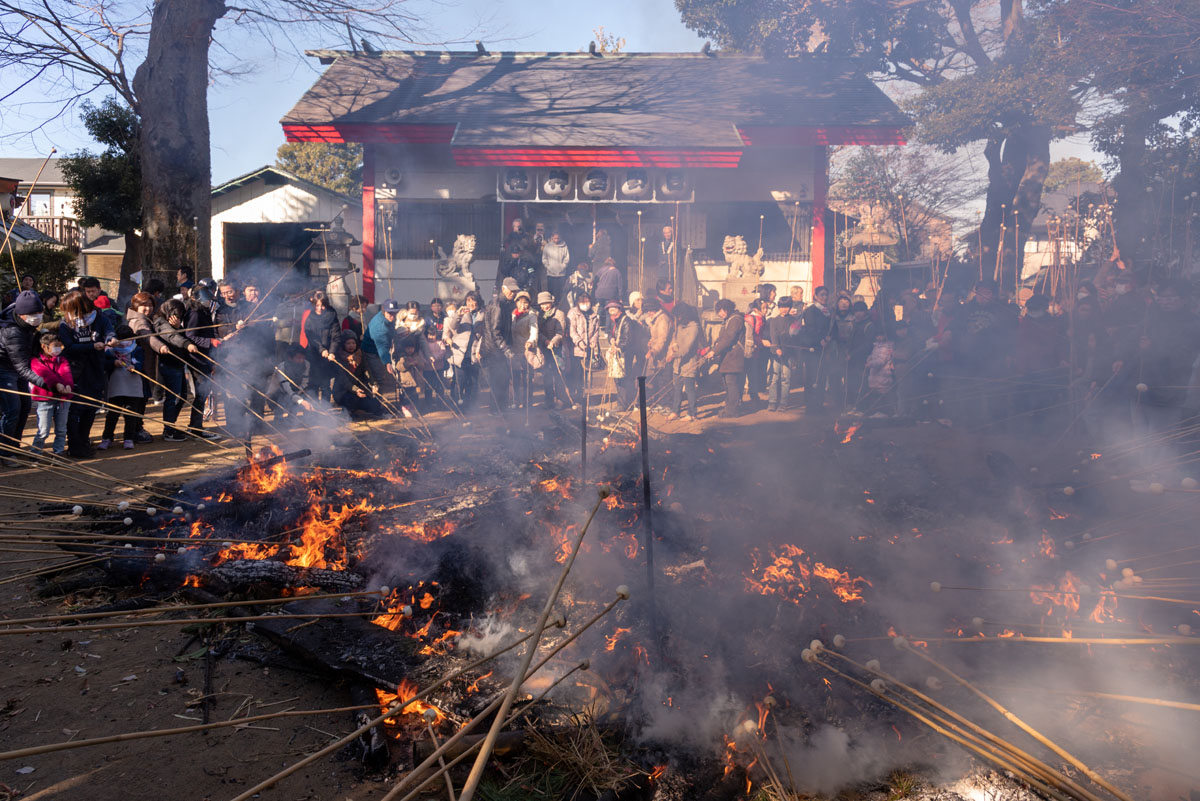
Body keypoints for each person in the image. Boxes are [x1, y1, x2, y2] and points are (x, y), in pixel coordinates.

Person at [58, 292, 115, 457]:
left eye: (72, 309)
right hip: (74, 372)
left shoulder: (99, 318)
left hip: (95, 368)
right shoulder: (66, 323)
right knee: (75, 410)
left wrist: (111, 339)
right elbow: (69, 347)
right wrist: (92, 346)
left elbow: (109, 332)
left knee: (90, 409)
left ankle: (84, 440)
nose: (70, 313)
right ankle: (74, 445)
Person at [150, 299, 214, 441]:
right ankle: (168, 430)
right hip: (169, 365)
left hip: (178, 364)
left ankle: (171, 427)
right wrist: (187, 344)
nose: (178, 318)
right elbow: (172, 336)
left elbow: (177, 333)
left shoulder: (172, 323)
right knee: (173, 397)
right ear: (170, 313)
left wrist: (179, 327)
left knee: (182, 396)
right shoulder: (161, 322)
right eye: (177, 315)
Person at [0, 291, 52, 461]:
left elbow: (29, 355)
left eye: (39, 313)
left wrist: (39, 339)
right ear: (21, 315)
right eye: (33, 315)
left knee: (24, 406)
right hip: (4, 369)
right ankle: (6, 452)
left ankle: (15, 446)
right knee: (12, 410)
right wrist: (47, 384)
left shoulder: (26, 324)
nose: (37, 317)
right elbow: (22, 367)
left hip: (18, 368)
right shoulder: (12, 331)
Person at [98, 325, 146, 450]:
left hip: (133, 387)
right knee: (112, 414)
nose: (125, 342)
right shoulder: (110, 350)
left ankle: (129, 438)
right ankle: (107, 438)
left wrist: (135, 368)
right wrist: (113, 363)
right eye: (122, 339)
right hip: (116, 386)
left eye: (128, 339)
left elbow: (141, 364)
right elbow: (104, 365)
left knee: (130, 414)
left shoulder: (137, 349)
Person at [29, 332, 72, 456]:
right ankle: (35, 454)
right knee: (43, 431)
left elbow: (66, 372)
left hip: (63, 399)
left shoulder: (62, 359)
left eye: (60, 346)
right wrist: (56, 384)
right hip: (44, 399)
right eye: (55, 345)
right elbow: (44, 373)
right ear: (44, 346)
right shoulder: (35, 360)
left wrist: (68, 384)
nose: (58, 349)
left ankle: (58, 453)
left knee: (61, 429)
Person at [123, 292, 158, 443]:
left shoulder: (145, 319)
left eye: (150, 305)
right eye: (144, 305)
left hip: (144, 365)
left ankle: (137, 428)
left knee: (141, 399)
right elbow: (149, 338)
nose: (147, 308)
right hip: (139, 367)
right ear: (136, 306)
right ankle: (135, 430)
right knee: (138, 400)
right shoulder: (139, 322)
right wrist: (162, 347)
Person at [704, 298, 747, 418]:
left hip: (734, 357)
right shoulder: (728, 320)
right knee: (727, 384)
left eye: (722, 310)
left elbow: (729, 338)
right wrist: (713, 348)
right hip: (728, 357)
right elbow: (722, 338)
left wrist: (715, 351)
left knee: (731, 383)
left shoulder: (736, 319)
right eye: (719, 311)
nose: (720, 313)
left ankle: (733, 410)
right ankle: (729, 408)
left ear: (728, 309)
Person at [481, 278, 519, 411]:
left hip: (497, 349)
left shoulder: (505, 304)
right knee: (498, 382)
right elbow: (495, 331)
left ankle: (500, 409)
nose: (513, 293)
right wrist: (505, 349)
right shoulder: (498, 306)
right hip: (495, 351)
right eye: (511, 290)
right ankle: (496, 410)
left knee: (502, 381)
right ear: (503, 288)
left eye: (514, 291)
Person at [332, 331, 383, 418]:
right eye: (348, 343)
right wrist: (355, 390)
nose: (351, 346)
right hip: (344, 391)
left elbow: (367, 371)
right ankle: (354, 412)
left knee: (374, 404)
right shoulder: (338, 358)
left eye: (353, 343)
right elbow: (343, 380)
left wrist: (374, 384)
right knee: (351, 400)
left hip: (360, 389)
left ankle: (359, 411)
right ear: (343, 344)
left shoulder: (360, 355)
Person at [301, 290, 341, 403]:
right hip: (313, 355)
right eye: (317, 305)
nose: (320, 308)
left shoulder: (332, 315)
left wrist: (332, 351)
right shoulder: (310, 318)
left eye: (323, 305)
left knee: (325, 384)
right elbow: (311, 338)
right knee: (312, 384)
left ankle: (325, 410)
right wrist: (322, 349)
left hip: (328, 357)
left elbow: (336, 336)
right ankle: (312, 412)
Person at [799, 286, 834, 412]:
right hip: (813, 349)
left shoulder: (828, 312)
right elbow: (810, 329)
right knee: (812, 377)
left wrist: (829, 338)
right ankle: (810, 405)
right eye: (822, 295)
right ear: (816, 296)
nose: (824, 297)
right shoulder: (810, 311)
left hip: (825, 349)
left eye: (826, 295)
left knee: (822, 376)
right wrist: (820, 340)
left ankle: (819, 404)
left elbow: (831, 328)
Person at [445, 292, 483, 409]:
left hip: (474, 352)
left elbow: (484, 334)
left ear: (478, 301)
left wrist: (480, 349)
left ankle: (470, 407)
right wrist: (458, 315)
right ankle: (457, 407)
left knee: (472, 383)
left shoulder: (483, 314)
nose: (471, 304)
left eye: (473, 301)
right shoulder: (460, 313)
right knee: (459, 382)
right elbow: (453, 326)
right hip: (460, 353)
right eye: (468, 301)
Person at [666, 300, 701, 421]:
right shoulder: (680, 326)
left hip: (689, 363)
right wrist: (672, 348)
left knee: (690, 390)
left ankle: (692, 413)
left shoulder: (694, 327)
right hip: (678, 364)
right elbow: (675, 340)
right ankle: (675, 411)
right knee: (677, 389)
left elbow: (687, 348)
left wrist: (674, 355)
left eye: (679, 316)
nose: (678, 318)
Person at [566, 291, 600, 407]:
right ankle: (575, 398)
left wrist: (593, 342)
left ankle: (583, 397)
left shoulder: (593, 314)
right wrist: (579, 342)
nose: (585, 304)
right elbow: (572, 330)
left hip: (589, 350)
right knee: (576, 375)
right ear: (578, 302)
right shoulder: (573, 313)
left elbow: (596, 330)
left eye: (587, 301)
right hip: (576, 350)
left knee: (585, 375)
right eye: (583, 302)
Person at [266, 345, 314, 421]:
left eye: (303, 358)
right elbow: (286, 388)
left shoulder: (306, 364)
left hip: (295, 392)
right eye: (298, 358)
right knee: (283, 399)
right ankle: (278, 418)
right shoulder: (281, 368)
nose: (301, 360)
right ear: (290, 358)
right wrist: (301, 401)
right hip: (278, 395)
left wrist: (299, 394)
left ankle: (292, 418)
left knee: (307, 395)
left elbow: (305, 382)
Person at [536, 291, 567, 408]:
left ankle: (560, 400)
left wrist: (553, 342)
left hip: (557, 348)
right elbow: (538, 331)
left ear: (551, 302)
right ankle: (549, 400)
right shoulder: (539, 315)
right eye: (542, 304)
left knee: (558, 374)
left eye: (546, 303)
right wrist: (545, 341)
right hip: (544, 348)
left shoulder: (559, 314)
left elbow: (560, 332)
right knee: (547, 375)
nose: (545, 306)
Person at [363, 299, 400, 393]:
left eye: (394, 313)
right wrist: (387, 362)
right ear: (384, 311)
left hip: (380, 350)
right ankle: (377, 404)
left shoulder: (387, 319)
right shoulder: (380, 326)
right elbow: (382, 346)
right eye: (389, 313)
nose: (392, 316)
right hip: (371, 351)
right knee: (378, 378)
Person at [605, 300, 637, 409]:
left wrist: (619, 348)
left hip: (625, 354)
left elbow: (628, 339)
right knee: (617, 378)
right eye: (610, 311)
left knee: (623, 378)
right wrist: (611, 340)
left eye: (614, 309)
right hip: (617, 351)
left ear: (620, 310)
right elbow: (609, 332)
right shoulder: (613, 320)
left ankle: (623, 404)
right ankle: (622, 402)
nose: (611, 312)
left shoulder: (626, 321)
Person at [765, 296, 795, 412]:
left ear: (790, 307)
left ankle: (783, 402)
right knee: (774, 377)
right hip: (775, 353)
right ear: (778, 307)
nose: (784, 309)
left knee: (786, 378)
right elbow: (773, 336)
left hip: (788, 353)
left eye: (786, 307)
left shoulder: (793, 320)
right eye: (782, 307)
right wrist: (777, 348)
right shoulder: (774, 320)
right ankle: (772, 401)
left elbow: (794, 336)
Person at [744, 299, 769, 405]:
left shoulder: (761, 318)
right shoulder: (751, 319)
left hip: (756, 349)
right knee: (751, 372)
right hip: (749, 350)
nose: (766, 310)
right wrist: (761, 341)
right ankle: (752, 395)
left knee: (754, 372)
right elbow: (751, 336)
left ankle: (753, 395)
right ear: (756, 309)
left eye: (766, 308)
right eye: (763, 308)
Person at [542, 229, 570, 302]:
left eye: (557, 238)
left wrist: (563, 267)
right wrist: (548, 267)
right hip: (550, 273)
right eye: (555, 238)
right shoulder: (547, 246)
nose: (556, 240)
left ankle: (559, 306)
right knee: (550, 291)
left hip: (561, 274)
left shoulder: (564, 246)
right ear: (552, 238)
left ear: (560, 238)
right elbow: (544, 259)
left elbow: (567, 258)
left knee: (560, 291)